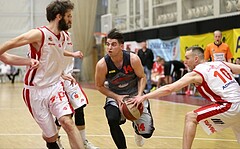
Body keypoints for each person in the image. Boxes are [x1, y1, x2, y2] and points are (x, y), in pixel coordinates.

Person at [0, 1, 85, 149]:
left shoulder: (64, 36)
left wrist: (63, 73)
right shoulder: (39, 34)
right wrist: (26, 60)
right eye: (69, 16)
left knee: (68, 123)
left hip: (54, 87)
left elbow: (56, 52)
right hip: (35, 91)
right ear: (59, 16)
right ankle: (51, 140)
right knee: (51, 136)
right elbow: (11, 44)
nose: (71, 20)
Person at [132, 46, 240, 149]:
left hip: (230, 105)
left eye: (188, 58)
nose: (185, 61)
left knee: (191, 117)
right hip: (237, 103)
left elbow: (169, 88)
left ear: (196, 59)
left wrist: (144, 96)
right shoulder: (220, 63)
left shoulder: (196, 73)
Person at [95, 28, 155, 149]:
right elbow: (99, 86)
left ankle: (138, 130)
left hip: (134, 93)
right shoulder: (102, 64)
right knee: (112, 120)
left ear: (121, 46)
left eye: (113, 44)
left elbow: (142, 77)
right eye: (108, 44)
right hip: (115, 95)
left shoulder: (133, 59)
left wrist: (139, 96)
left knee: (147, 133)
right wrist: (117, 97)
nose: (109, 47)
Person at [55, 30, 99, 149]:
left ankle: (83, 141)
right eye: (68, 16)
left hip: (69, 77)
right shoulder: (53, 35)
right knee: (62, 113)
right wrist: (73, 54)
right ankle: (54, 141)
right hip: (57, 78)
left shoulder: (68, 34)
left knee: (80, 108)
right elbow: (55, 52)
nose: (70, 19)